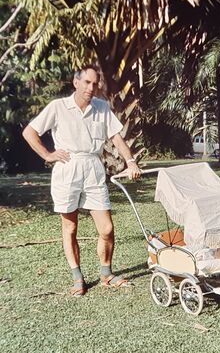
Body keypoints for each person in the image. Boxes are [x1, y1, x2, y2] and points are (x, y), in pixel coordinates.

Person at [22, 65, 141, 296]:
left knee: (106, 228)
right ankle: (78, 278)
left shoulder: (102, 107)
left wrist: (131, 161)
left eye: (95, 83)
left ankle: (106, 274)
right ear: (76, 83)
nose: (91, 87)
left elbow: (116, 136)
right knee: (70, 227)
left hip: (94, 168)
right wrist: (47, 155)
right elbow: (29, 132)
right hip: (67, 169)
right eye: (86, 82)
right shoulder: (58, 107)